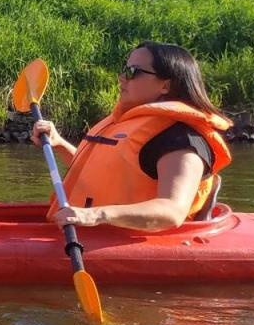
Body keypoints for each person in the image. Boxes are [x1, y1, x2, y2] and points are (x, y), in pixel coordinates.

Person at [31, 41, 232, 233]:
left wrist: (94, 215)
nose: (122, 77)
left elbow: (172, 211)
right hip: (85, 233)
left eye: (133, 71)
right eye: (124, 69)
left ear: (165, 85)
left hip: (136, 242)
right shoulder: (127, 124)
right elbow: (103, 171)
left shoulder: (181, 140)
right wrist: (59, 143)